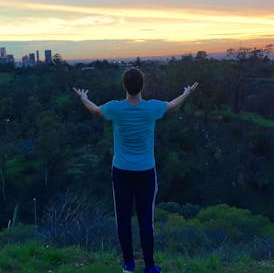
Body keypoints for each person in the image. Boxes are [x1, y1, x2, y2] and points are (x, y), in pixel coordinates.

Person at [73, 67, 198, 273]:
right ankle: (149, 266)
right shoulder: (152, 108)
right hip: (145, 172)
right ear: (143, 85)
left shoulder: (115, 108)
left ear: (124, 86)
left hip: (121, 171)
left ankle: (129, 264)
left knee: (122, 218)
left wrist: (83, 97)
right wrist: (186, 93)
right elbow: (173, 105)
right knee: (145, 220)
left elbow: (95, 110)